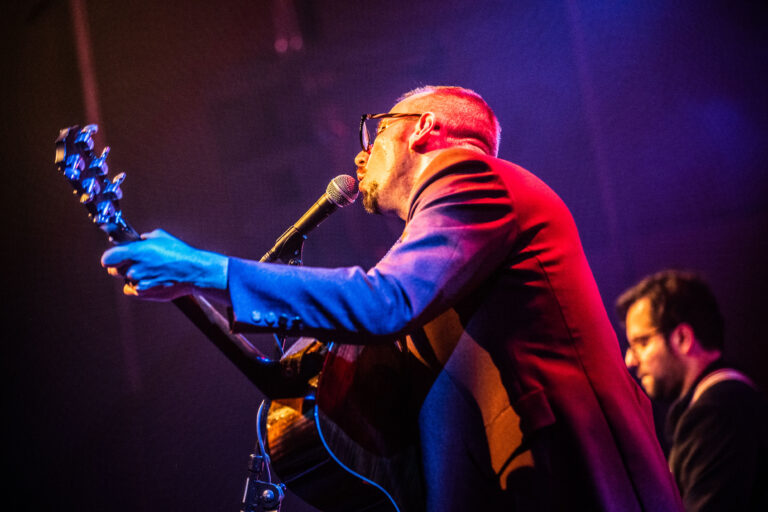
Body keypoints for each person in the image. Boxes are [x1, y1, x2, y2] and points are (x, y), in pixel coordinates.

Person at [102, 86, 682, 511]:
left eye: (376, 134)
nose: (360, 156)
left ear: (424, 129)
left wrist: (210, 269)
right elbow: (361, 331)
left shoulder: (473, 181)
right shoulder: (439, 241)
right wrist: (204, 287)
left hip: (564, 479)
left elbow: (383, 302)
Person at [616, 269, 768, 511]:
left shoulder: (719, 412)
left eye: (642, 342)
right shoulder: (725, 404)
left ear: (683, 338)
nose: (630, 360)